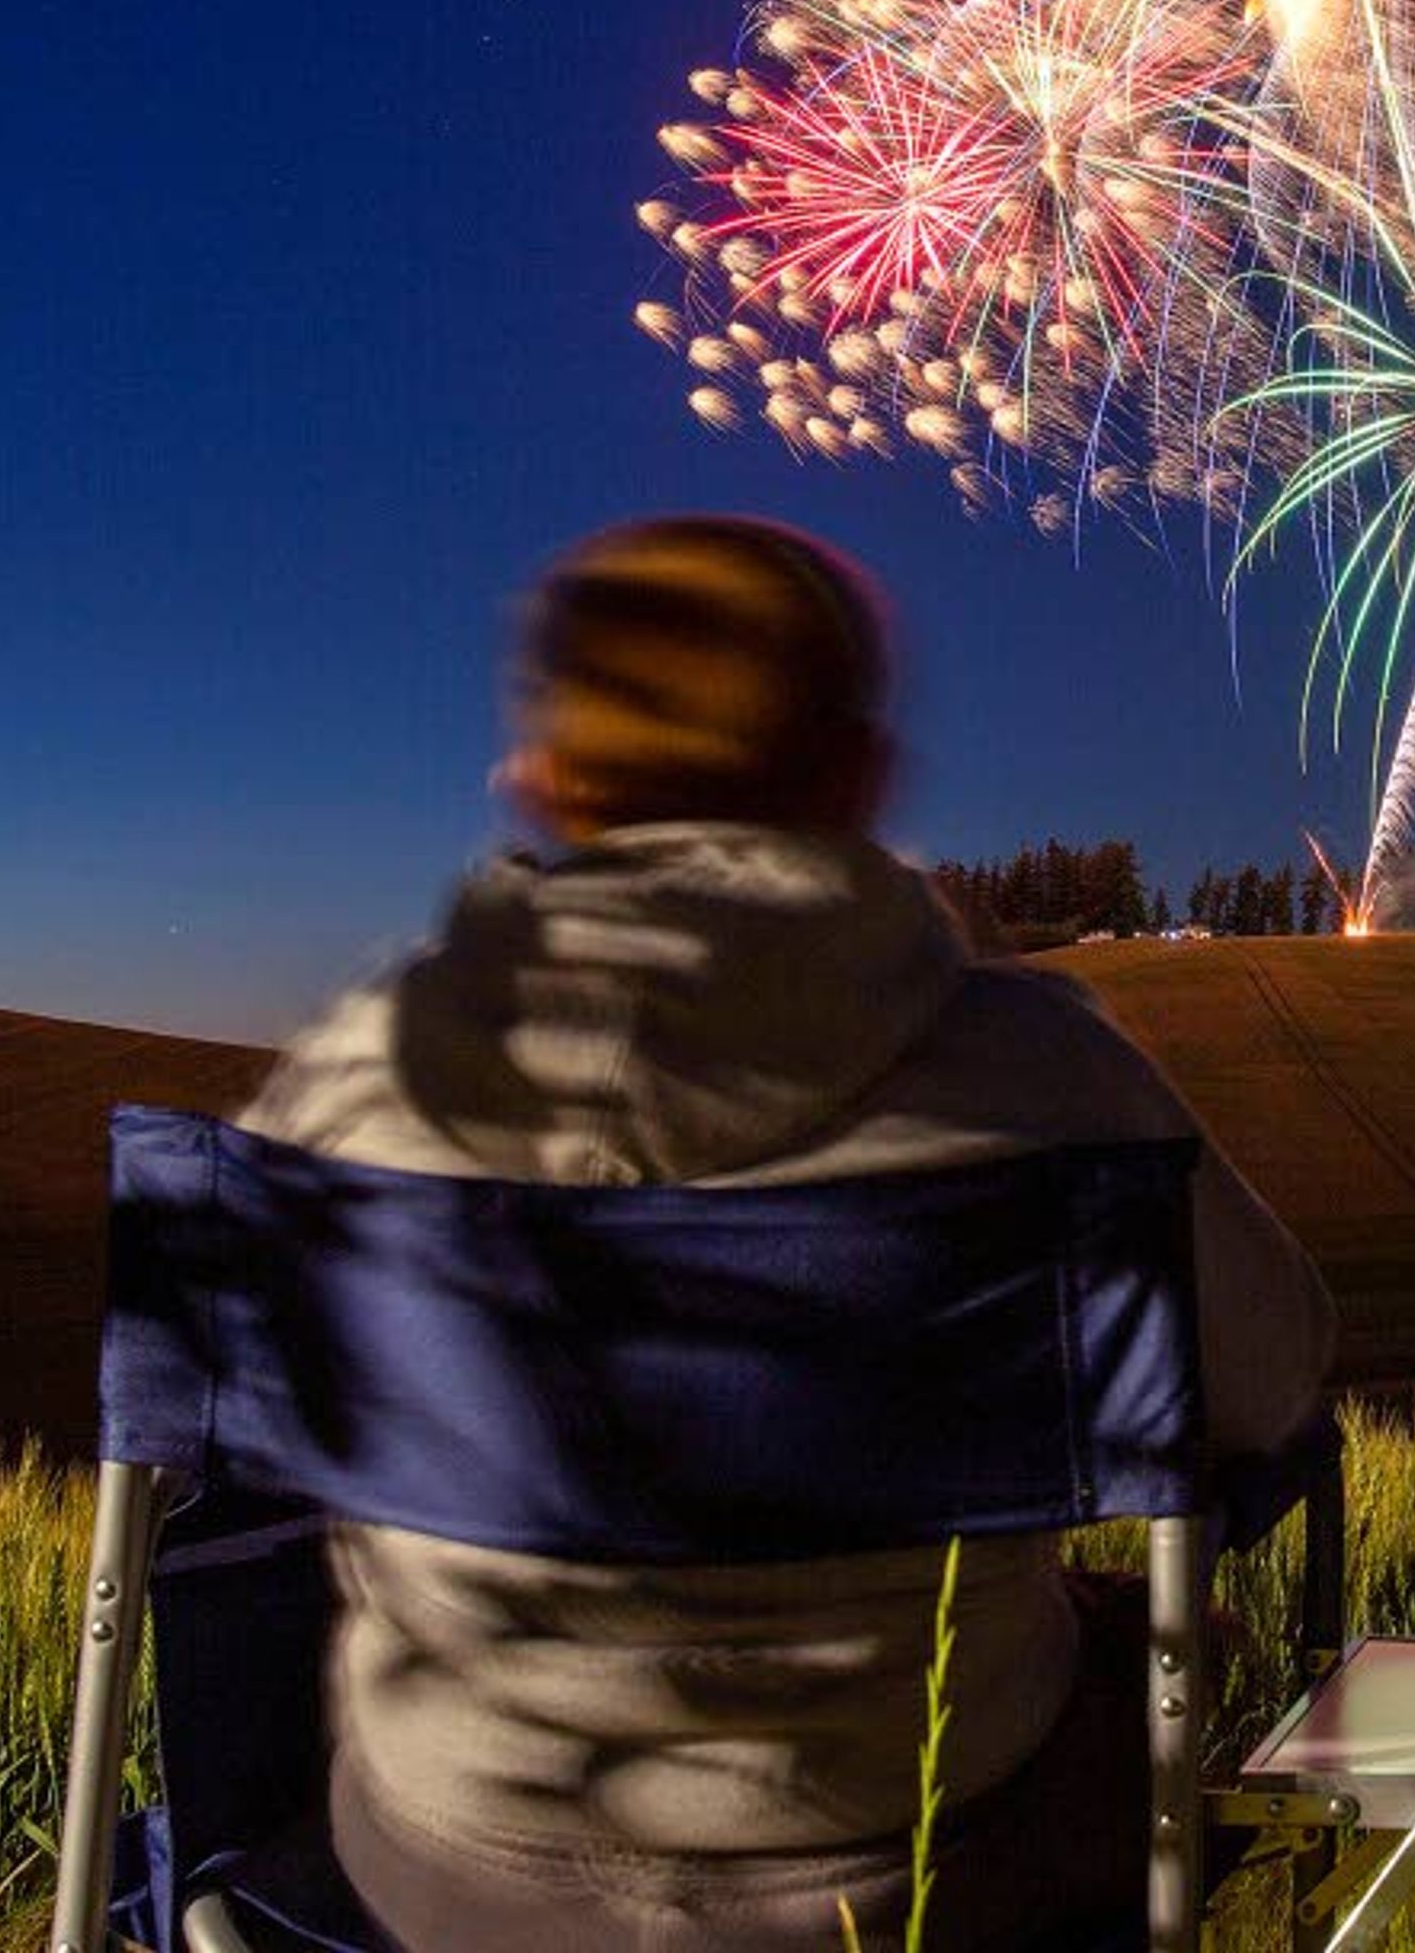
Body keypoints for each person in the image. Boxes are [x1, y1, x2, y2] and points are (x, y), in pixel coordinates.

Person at [238, 515, 1338, 1952]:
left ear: (546, 780)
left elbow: (260, 1426)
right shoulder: (1042, 1075)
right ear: (861, 777)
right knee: (1146, 1663)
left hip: (437, 1872)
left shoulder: (351, 1076)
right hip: (925, 1868)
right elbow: (1275, 1377)